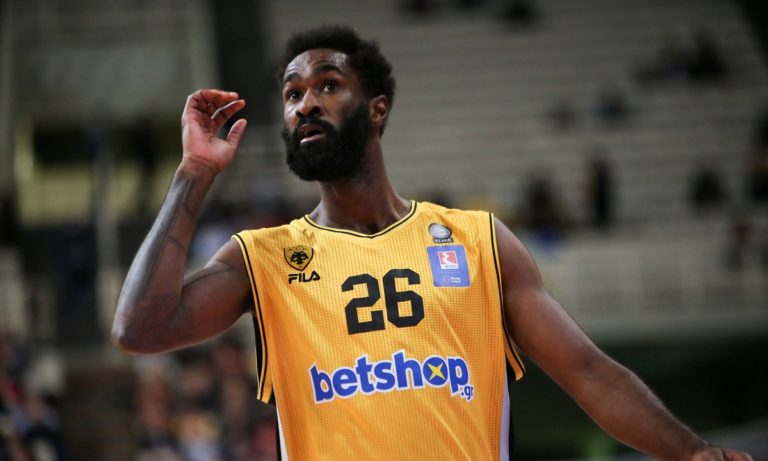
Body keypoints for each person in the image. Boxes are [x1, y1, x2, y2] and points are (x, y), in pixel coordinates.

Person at [112, 25, 753, 460]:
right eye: (292, 94)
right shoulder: (265, 257)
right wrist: (194, 173)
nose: (305, 104)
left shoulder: (478, 242)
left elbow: (589, 373)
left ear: (378, 109)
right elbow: (139, 329)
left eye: (328, 85)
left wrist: (691, 451)